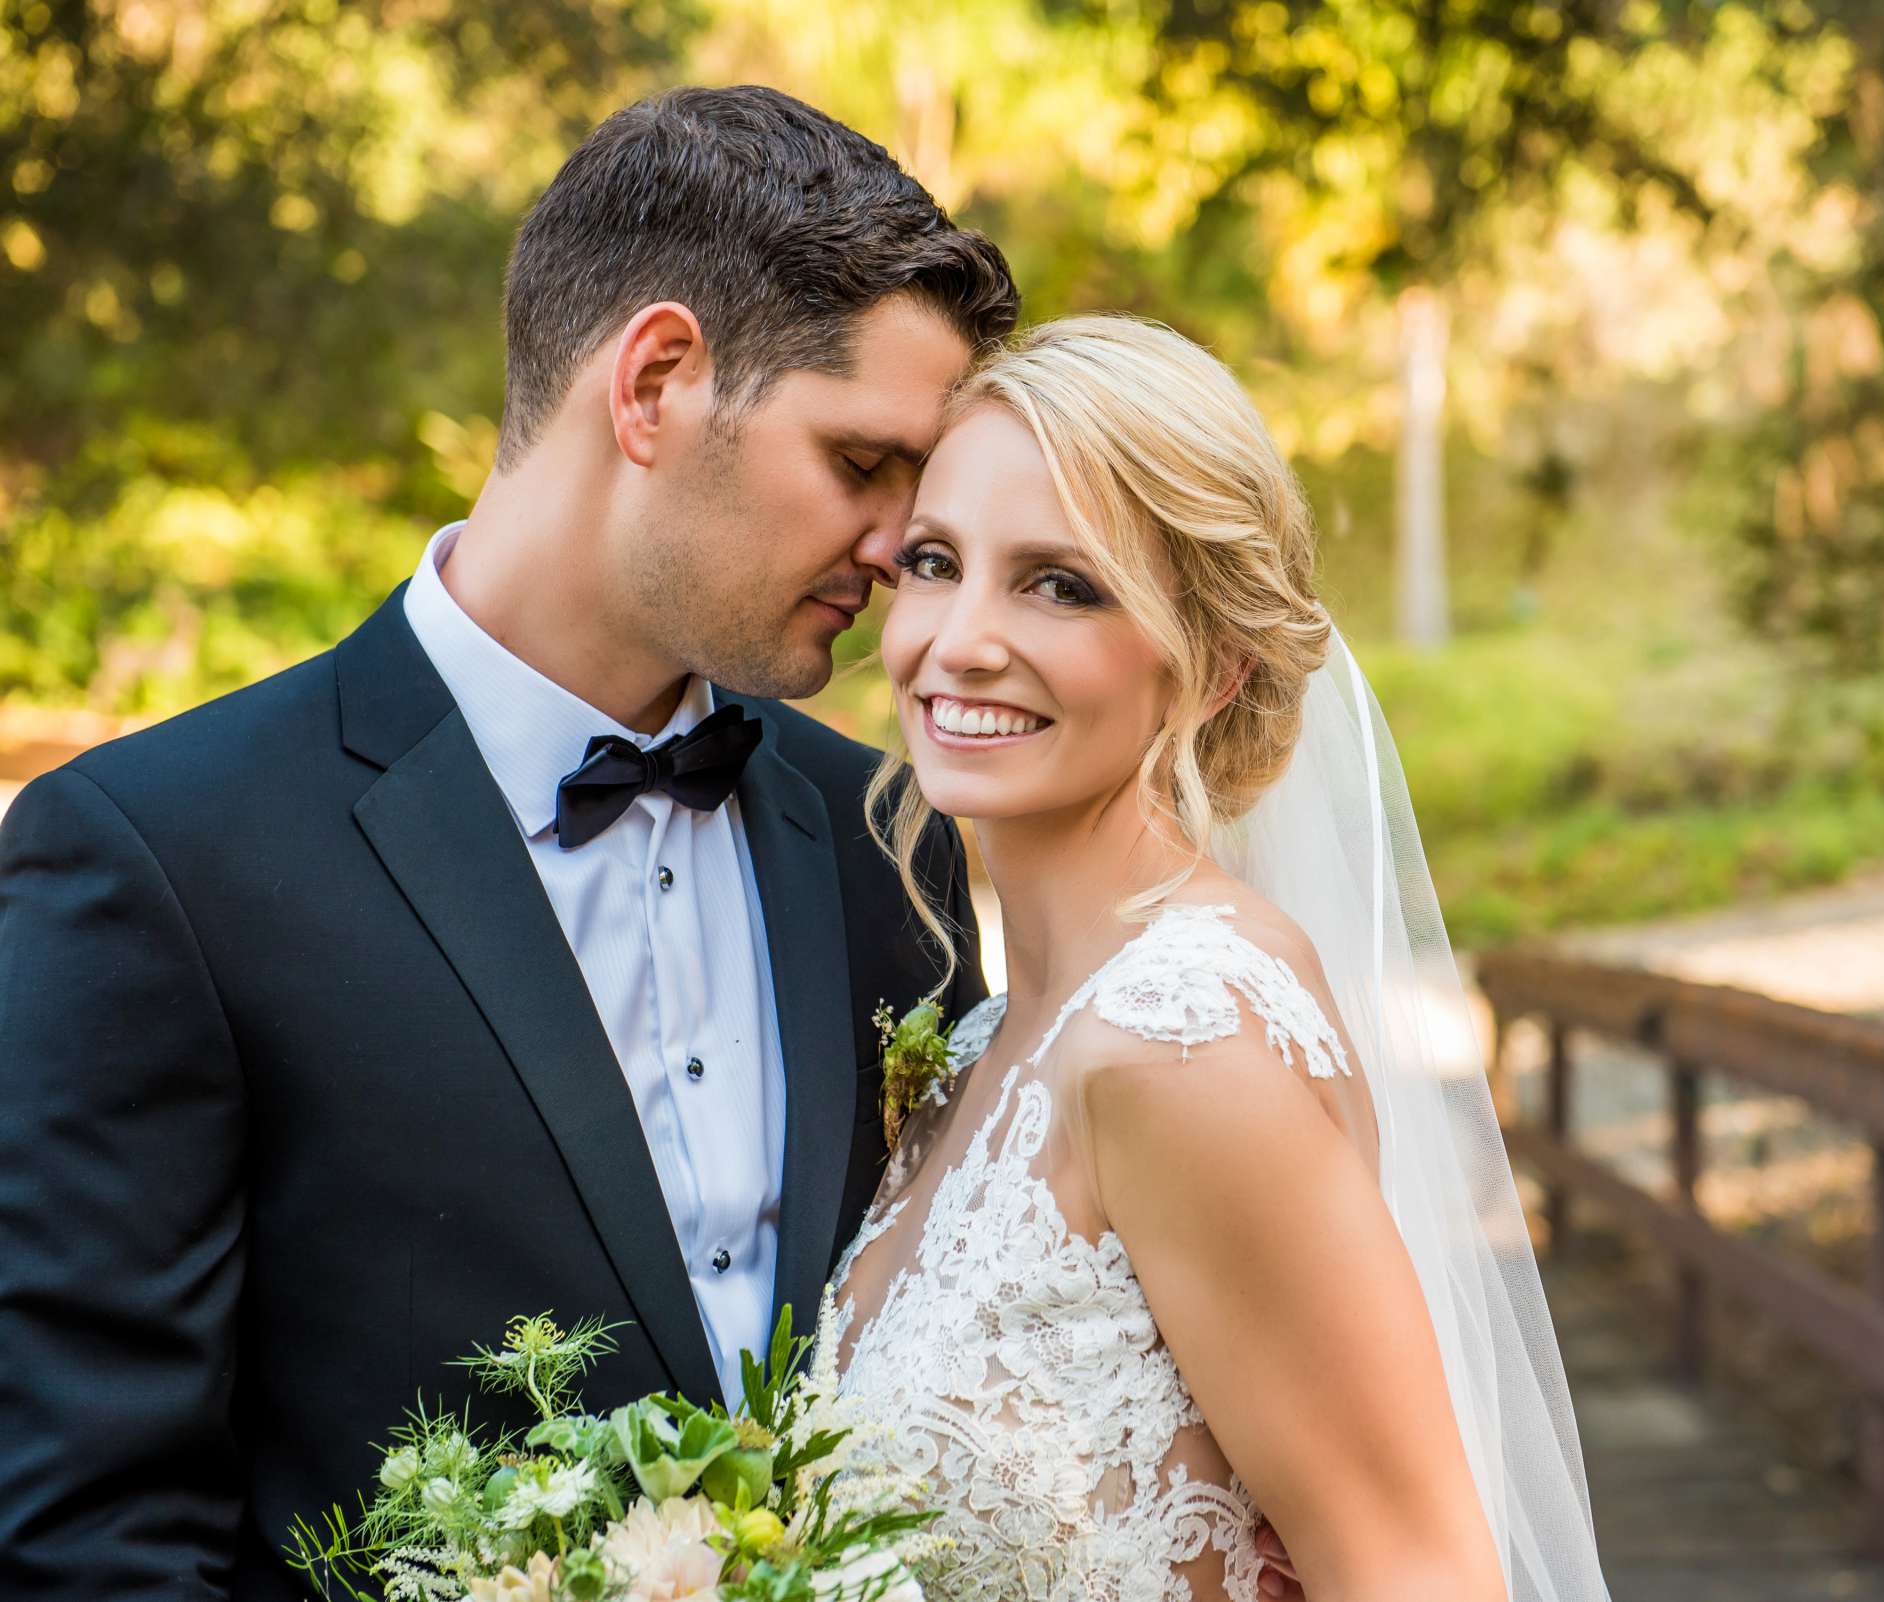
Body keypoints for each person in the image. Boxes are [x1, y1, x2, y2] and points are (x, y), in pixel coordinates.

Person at [0, 87, 1016, 1599]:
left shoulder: (892, 844)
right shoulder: (157, 862)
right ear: (657, 381)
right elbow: (87, 1543)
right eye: (862, 464)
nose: (898, 547)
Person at [820, 315, 1609, 1601]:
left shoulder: (1181, 1041)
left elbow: (1420, 1574)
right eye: (933, 561)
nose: (958, 639)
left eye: (1058, 584)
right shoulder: (984, 1045)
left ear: (1217, 667)